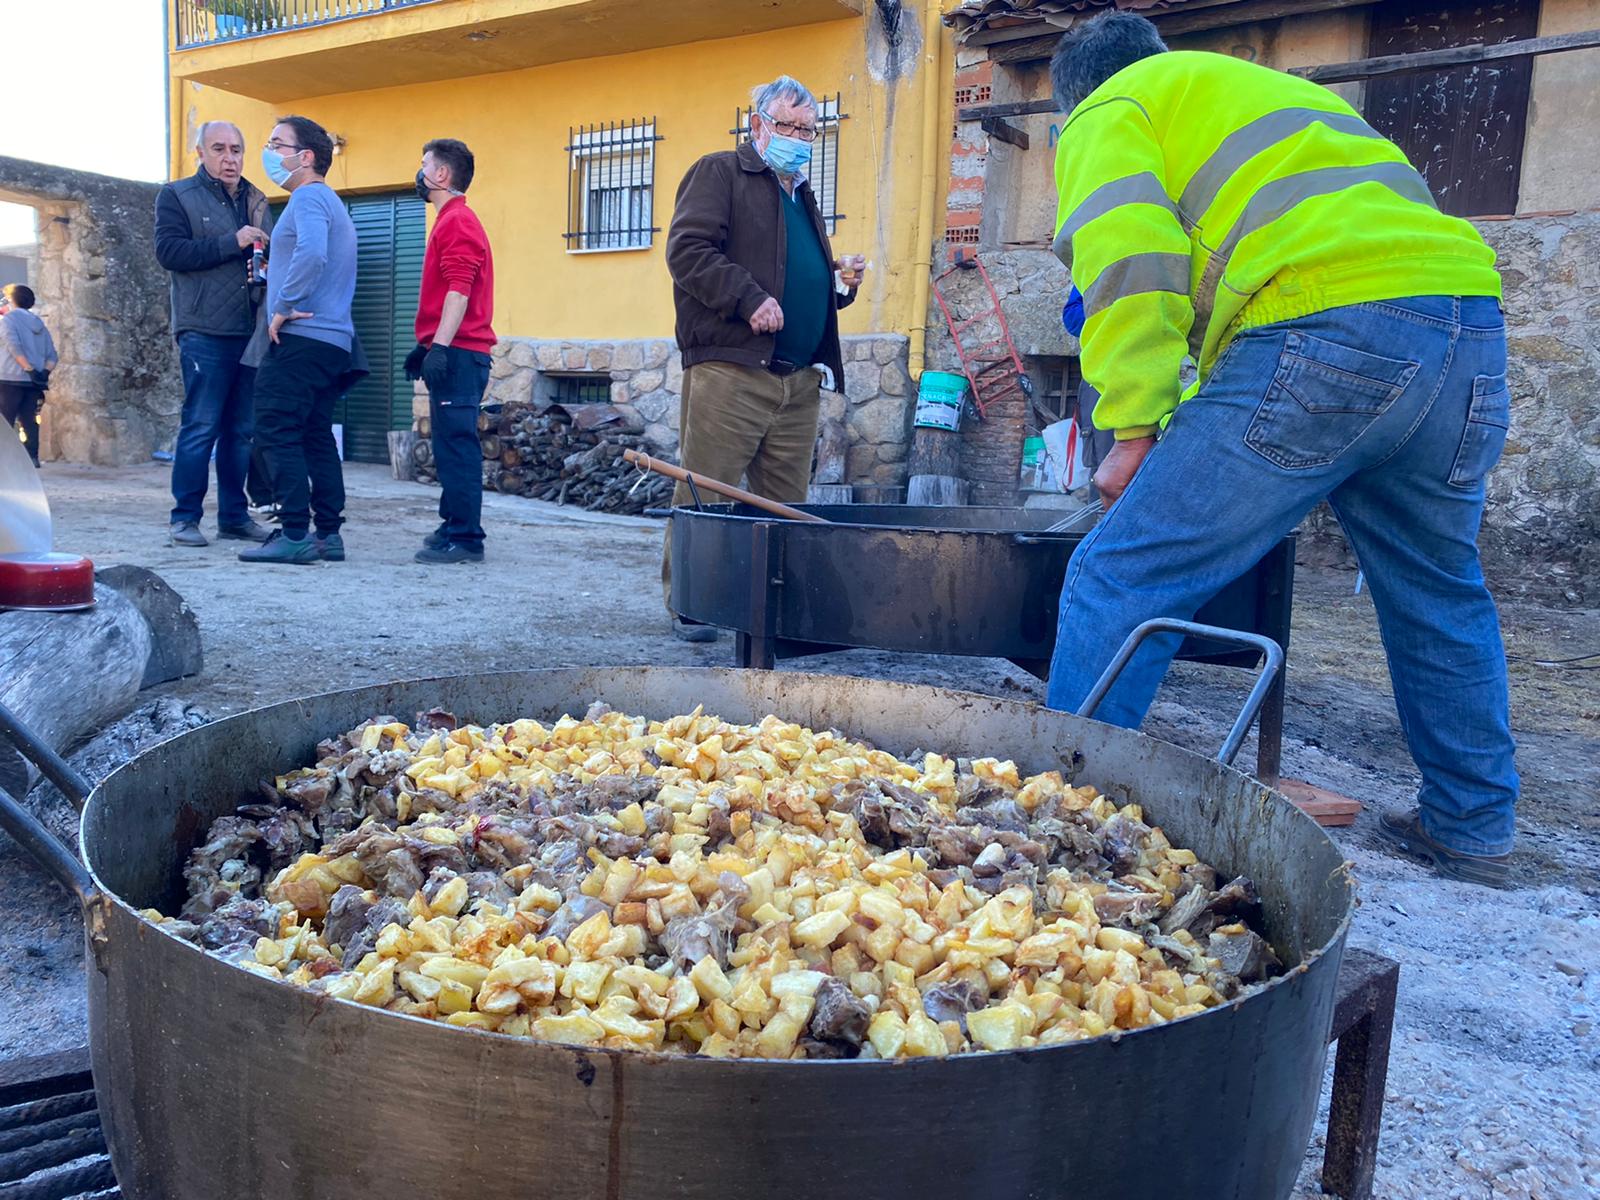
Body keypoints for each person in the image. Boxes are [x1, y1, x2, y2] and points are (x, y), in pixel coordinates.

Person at [1043, 12, 1517, 886]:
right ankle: (1474, 825)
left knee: (1122, 574)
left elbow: (1128, 261)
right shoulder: (1275, 98)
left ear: (1074, 98)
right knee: (1439, 592)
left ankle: (1060, 824)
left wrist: (1135, 429)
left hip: (1324, 324)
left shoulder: (1111, 107)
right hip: (1468, 330)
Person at [662, 75, 865, 641]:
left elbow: (791, 273)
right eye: (788, 126)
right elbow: (687, 251)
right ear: (758, 125)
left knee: (783, 503)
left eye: (809, 129)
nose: (800, 137)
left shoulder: (800, 193)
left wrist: (837, 285)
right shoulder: (721, 172)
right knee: (708, 485)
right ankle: (692, 603)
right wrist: (747, 298)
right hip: (732, 367)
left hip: (797, 378)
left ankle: (775, 606)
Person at [239, 115, 359, 566]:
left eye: (277, 143)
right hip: (333, 341)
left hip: (302, 337)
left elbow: (312, 252)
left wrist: (284, 303)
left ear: (305, 157)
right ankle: (328, 534)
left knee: (274, 428)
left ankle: (293, 533)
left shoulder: (308, 197)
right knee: (314, 434)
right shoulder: (331, 203)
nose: (269, 151)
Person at [154, 119, 275, 547]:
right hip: (203, 327)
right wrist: (233, 241)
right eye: (220, 149)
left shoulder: (257, 199)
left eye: (237, 149)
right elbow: (169, 252)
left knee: (240, 430)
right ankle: (184, 518)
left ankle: (234, 518)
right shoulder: (176, 195)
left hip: (250, 329)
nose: (230, 158)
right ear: (201, 153)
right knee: (201, 425)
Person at [405, 138, 496, 565]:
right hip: (453, 349)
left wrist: (439, 347)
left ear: (441, 175)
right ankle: (452, 523)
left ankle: (466, 538)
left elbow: (459, 291)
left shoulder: (457, 221)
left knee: (458, 446)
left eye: (424, 165)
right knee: (447, 445)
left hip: (460, 353)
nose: (420, 172)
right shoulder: (450, 220)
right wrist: (423, 347)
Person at [0, 284, 56, 466]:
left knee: (5, 422)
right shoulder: (39, 323)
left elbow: (13, 346)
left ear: (11, 299)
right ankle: (32, 458)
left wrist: (28, 368)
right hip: (33, 382)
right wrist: (42, 373)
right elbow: (52, 356)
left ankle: (6, 461)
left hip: (9, 378)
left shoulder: (7, 320)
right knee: (29, 419)